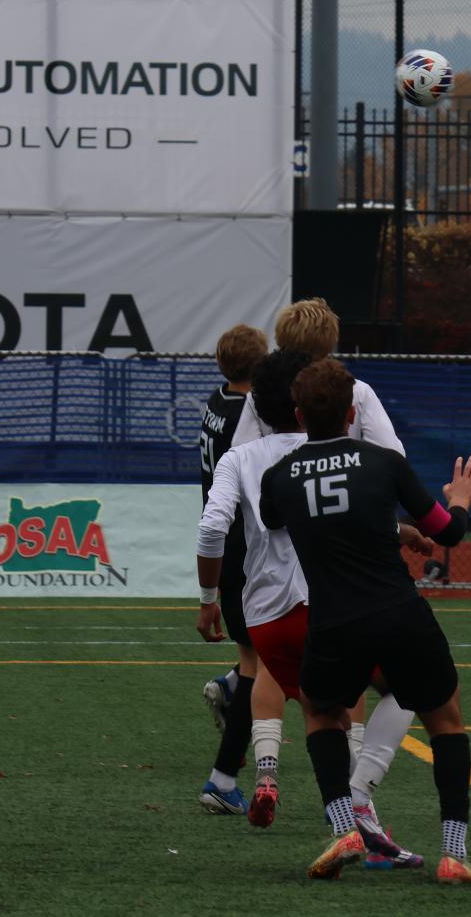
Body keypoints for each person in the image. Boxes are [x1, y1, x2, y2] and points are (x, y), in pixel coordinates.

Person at [259, 358, 471, 885]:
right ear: (351, 413)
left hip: (334, 622)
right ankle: (453, 852)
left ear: (298, 414)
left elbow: (276, 518)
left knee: (322, 716)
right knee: (446, 720)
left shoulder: (280, 479)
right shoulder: (384, 463)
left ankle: (344, 827)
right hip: (398, 612)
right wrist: (459, 501)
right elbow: (445, 534)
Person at [198, 349, 429, 867]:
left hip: (266, 617)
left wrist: (209, 599)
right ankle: (361, 808)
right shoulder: (328, 452)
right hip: (326, 604)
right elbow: (348, 516)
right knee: (406, 686)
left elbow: (213, 527)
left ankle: (297, 796)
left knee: (317, 709)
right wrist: (398, 531)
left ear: (257, 404)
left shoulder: (242, 457)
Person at [195, 322, 267, 815]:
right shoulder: (251, 411)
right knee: (262, 667)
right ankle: (223, 779)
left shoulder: (217, 402)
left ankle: (229, 687)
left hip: (227, 543)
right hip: (248, 545)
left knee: (259, 664)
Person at [228, 299, 402, 452]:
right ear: (330, 341)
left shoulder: (262, 390)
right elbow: (392, 452)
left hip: (278, 485)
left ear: (281, 339)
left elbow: (240, 451)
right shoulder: (357, 390)